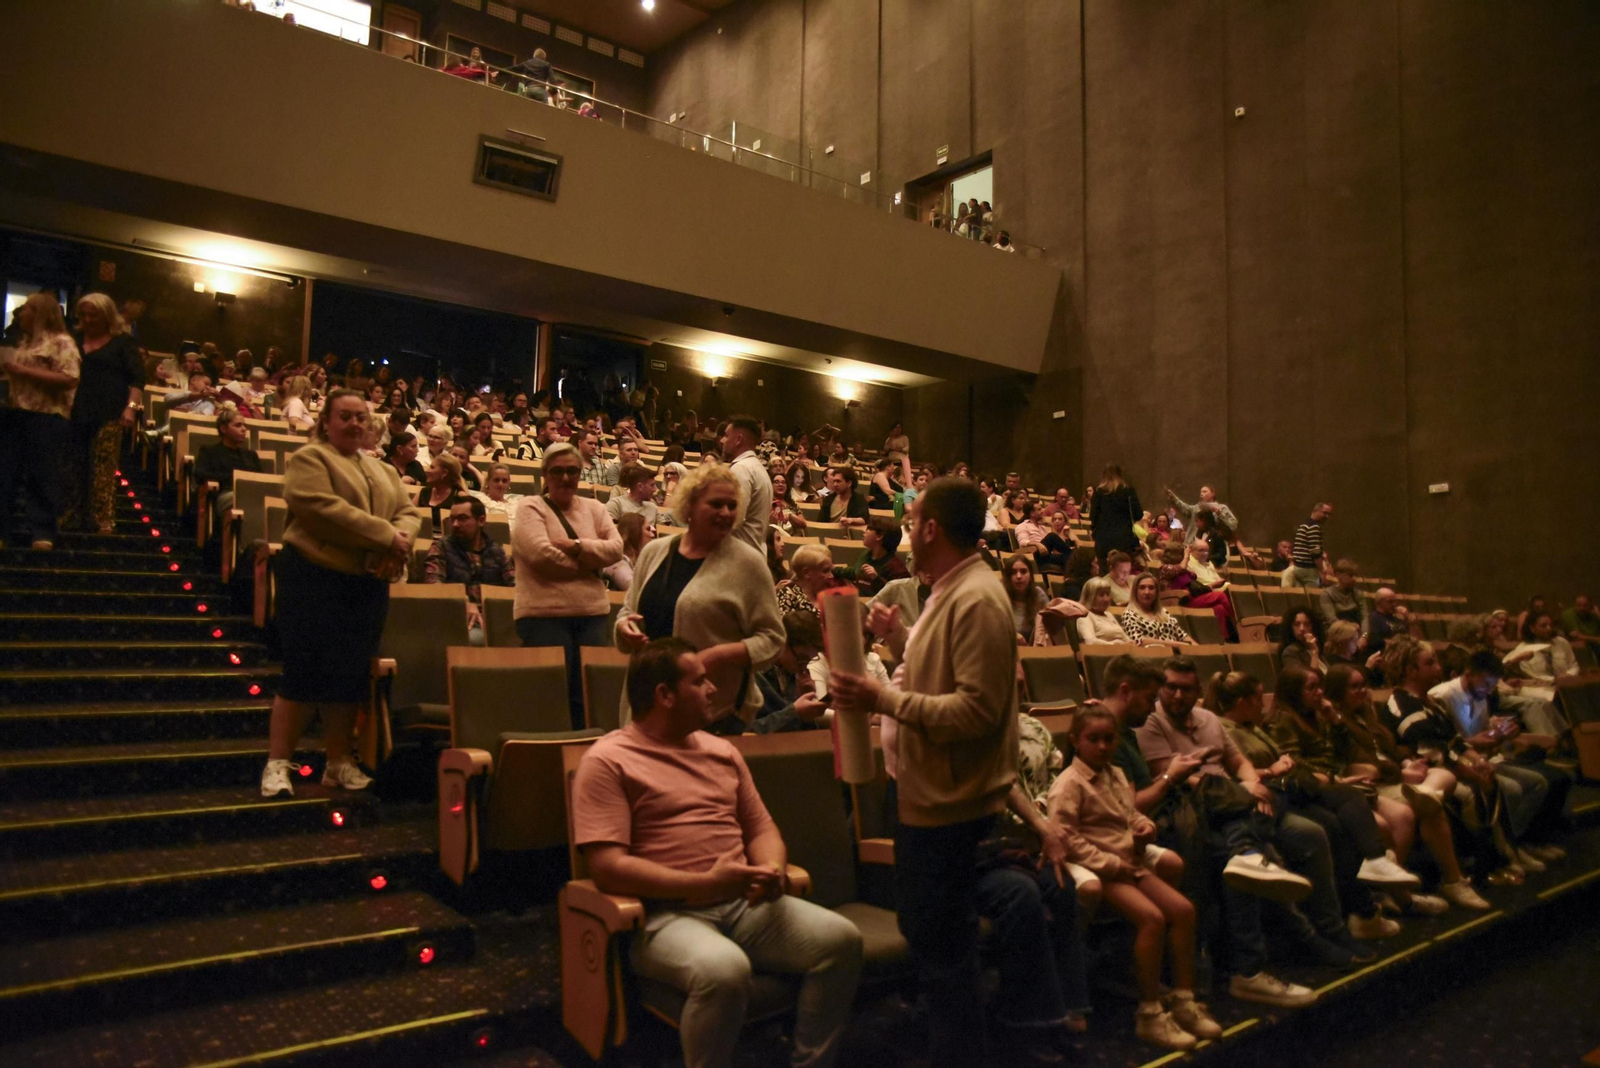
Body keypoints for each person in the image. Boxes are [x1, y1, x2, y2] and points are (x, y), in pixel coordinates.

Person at [572, 638, 862, 1068]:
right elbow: (607, 867)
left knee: (841, 941)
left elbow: (761, 828)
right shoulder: (608, 760)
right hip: (664, 916)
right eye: (699, 681)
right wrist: (705, 883)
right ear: (664, 695)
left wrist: (770, 867)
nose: (712, 690)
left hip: (743, 904)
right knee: (724, 971)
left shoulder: (722, 751)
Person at [828, 478, 1023, 1068]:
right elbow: (946, 669)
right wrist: (900, 636)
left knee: (944, 946)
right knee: (931, 935)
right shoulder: (949, 589)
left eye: (911, 521)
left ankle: (959, 1054)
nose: (907, 531)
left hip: (950, 802)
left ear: (931, 527)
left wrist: (880, 698)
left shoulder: (978, 597)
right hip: (929, 793)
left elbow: (976, 711)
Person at [259, 390, 422, 798]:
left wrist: (396, 545)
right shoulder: (310, 458)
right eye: (345, 416)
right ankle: (277, 764)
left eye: (360, 418)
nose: (354, 424)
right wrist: (387, 537)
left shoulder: (382, 470)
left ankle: (338, 762)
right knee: (302, 671)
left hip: (365, 581)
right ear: (326, 422)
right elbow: (318, 508)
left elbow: (408, 513)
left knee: (349, 675)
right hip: (313, 576)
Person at [1134, 658, 1323, 1005]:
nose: (1177, 695)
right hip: (1193, 805)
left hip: (1230, 805)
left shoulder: (1208, 719)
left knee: (1269, 827)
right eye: (1170, 687)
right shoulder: (1150, 720)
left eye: (1186, 688)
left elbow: (1237, 761)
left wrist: (1252, 783)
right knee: (1246, 853)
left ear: (1198, 690)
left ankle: (1283, 936)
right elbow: (1174, 778)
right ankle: (1264, 961)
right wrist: (1243, 794)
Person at [1050, 708, 1221, 1051]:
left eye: (1108, 739)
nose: (1102, 746)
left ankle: (1184, 1000)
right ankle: (1150, 1012)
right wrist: (1113, 864)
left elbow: (1130, 815)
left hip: (1130, 860)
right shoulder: (1069, 783)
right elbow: (1067, 840)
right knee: (1152, 919)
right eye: (1093, 739)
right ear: (1075, 741)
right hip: (1102, 867)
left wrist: (1145, 827)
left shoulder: (1114, 773)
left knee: (1184, 910)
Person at [614, 463, 784, 733]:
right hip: (649, 707)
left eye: (732, 505)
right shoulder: (654, 552)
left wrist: (718, 655)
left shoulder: (749, 563)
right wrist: (624, 627)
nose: (726, 513)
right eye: (716, 504)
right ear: (690, 505)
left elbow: (773, 639)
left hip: (714, 715)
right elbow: (627, 611)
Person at [1267, 667, 1428, 929]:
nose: (1320, 693)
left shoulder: (1318, 715)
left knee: (1402, 816)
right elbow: (1293, 764)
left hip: (1336, 781)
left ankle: (1392, 893)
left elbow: (1342, 751)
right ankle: (1380, 897)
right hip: (1313, 787)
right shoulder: (1284, 720)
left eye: (1320, 686)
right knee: (1382, 826)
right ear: (1294, 692)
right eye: (1312, 688)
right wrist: (1335, 780)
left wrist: (1335, 718)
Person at [1321, 664, 1490, 910]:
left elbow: (1391, 748)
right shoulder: (1336, 723)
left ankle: (1425, 792)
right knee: (1429, 809)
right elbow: (1357, 762)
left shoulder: (1366, 714)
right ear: (1337, 692)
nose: (1362, 691)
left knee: (1442, 776)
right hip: (1373, 784)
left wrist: (1409, 761)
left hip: (1394, 776)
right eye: (1354, 687)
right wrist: (1402, 772)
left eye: (1363, 685)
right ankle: (1448, 881)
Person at [1379, 638, 1528, 886]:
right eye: (1430, 662)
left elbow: (1454, 741)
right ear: (1410, 670)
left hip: (1444, 766)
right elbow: (1431, 752)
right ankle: (1479, 870)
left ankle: (1505, 856)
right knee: (1470, 792)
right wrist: (1471, 772)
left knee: (1489, 779)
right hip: (1424, 772)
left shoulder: (1431, 703)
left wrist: (1477, 760)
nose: (1439, 668)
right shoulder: (1403, 704)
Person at [513, 442, 623, 729]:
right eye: (557, 471)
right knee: (551, 698)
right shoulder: (529, 507)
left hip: (592, 615)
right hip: (543, 616)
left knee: (589, 700)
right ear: (545, 475)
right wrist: (591, 563)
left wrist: (576, 546)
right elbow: (540, 555)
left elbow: (616, 549)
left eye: (572, 471)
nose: (565, 478)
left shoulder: (595, 508)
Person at [1429, 650, 1571, 859]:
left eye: (1492, 685)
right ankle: (1509, 849)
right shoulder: (1441, 696)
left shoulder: (1481, 695)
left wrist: (1501, 734)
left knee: (1541, 782)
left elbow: (1484, 738)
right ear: (1468, 674)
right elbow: (1443, 743)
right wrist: (1475, 742)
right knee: (1512, 788)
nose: (1488, 691)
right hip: (1457, 763)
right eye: (1485, 683)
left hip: (1482, 758)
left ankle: (1524, 841)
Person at [1, 292, 81, 550]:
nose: (20, 313)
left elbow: (70, 377)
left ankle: (42, 530)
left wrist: (22, 371)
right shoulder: (24, 342)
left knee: (42, 474)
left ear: (39, 314)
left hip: (47, 416)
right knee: (7, 473)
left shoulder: (61, 342)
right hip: (16, 413)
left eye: (26, 309)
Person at [60, 293, 141, 535]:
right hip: (74, 409)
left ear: (105, 316)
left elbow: (137, 379)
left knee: (104, 466)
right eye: (83, 314)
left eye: (93, 315)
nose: (87, 319)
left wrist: (131, 408)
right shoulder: (73, 339)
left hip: (110, 410)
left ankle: (102, 517)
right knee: (74, 463)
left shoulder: (122, 342)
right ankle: (73, 513)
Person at [425, 495, 514, 646]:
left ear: (481, 521)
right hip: (458, 619)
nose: (455, 524)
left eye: (462, 518)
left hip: (495, 620)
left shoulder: (496, 552)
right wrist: (463, 602)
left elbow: (514, 587)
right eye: (452, 519)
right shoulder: (442, 547)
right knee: (478, 640)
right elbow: (433, 584)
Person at [193, 408, 264, 519]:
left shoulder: (251, 456)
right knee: (244, 499)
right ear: (223, 429)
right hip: (222, 495)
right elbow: (200, 475)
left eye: (244, 426)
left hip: (249, 495)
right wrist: (236, 479)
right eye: (238, 425)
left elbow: (260, 480)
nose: (244, 429)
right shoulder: (209, 451)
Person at [719, 415, 771, 552]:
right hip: (752, 553)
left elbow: (734, 518)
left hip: (739, 556)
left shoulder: (741, 469)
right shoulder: (757, 468)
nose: (722, 440)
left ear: (738, 440)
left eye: (726, 435)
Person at [1120, 574, 1196, 647]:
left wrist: (1197, 648)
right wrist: (1178, 645)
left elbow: (1181, 635)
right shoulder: (1129, 614)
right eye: (1142, 588)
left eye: (1151, 588)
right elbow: (1139, 641)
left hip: (1177, 656)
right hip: (1150, 657)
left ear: (1156, 592)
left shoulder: (1164, 612)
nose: (1147, 592)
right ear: (1135, 592)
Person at [1089, 462, 1141, 566]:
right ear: (1120, 474)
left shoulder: (1099, 492)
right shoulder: (1128, 491)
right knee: (1122, 569)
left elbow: (1093, 516)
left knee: (1104, 569)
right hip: (1124, 537)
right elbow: (1138, 514)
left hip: (1103, 537)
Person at [845, 517, 909, 597]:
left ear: (879, 536)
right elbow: (855, 572)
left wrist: (876, 579)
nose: (864, 532)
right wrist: (832, 569)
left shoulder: (897, 569)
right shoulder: (867, 554)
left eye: (869, 529)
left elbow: (899, 596)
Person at [1165, 485, 1239, 546]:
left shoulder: (1221, 508)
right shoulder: (1197, 507)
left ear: (1213, 494)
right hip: (1191, 543)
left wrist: (1220, 514)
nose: (1201, 494)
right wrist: (1174, 498)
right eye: (1201, 492)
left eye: (1205, 491)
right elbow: (1185, 508)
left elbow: (1233, 524)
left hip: (1211, 544)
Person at [1282, 502, 1332, 588]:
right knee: (1312, 598)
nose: (1327, 516)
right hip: (1309, 570)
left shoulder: (1303, 525)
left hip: (1298, 568)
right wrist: (1322, 571)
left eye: (1328, 514)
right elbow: (1315, 553)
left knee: (1301, 598)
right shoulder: (1314, 527)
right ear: (1316, 511)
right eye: (1325, 513)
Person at [777, 545, 834, 618]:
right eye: (825, 571)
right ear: (806, 573)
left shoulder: (830, 596)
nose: (831, 576)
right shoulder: (789, 596)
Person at [1004, 555, 1049, 645]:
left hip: (1035, 651)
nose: (1019, 576)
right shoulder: (1000, 596)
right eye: (1013, 572)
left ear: (1031, 576)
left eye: (1023, 571)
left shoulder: (1038, 595)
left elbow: (1049, 627)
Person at [416, 452, 466, 532]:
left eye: (432, 468)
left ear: (444, 473)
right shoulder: (423, 492)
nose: (427, 471)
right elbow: (408, 516)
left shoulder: (460, 497)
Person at [1071, 576, 1128, 644]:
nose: (1106, 599)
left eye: (1107, 594)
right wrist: (1113, 644)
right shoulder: (1084, 616)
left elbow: (1125, 639)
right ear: (1090, 597)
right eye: (1101, 595)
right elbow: (1090, 642)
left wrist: (1130, 642)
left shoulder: (1109, 615)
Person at [1318, 559, 1370, 632]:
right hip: (1336, 632)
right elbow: (1332, 620)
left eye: (1355, 575)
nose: (1354, 579)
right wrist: (1352, 627)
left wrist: (1364, 636)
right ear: (1338, 575)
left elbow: (1364, 617)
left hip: (1357, 632)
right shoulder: (1327, 594)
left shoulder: (1358, 594)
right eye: (1350, 575)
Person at [603, 512, 651, 592]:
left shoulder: (640, 562)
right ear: (635, 533)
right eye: (648, 529)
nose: (652, 534)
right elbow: (633, 589)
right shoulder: (618, 561)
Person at [606, 462, 660, 527]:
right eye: (652, 485)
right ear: (640, 486)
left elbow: (664, 531)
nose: (655, 489)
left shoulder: (653, 508)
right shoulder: (616, 504)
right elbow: (608, 529)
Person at [1278, 607, 1328, 673]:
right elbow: (1310, 680)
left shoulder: (1318, 647)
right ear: (1290, 628)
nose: (1302, 629)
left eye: (1307, 624)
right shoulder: (1290, 652)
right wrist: (1314, 652)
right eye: (1297, 624)